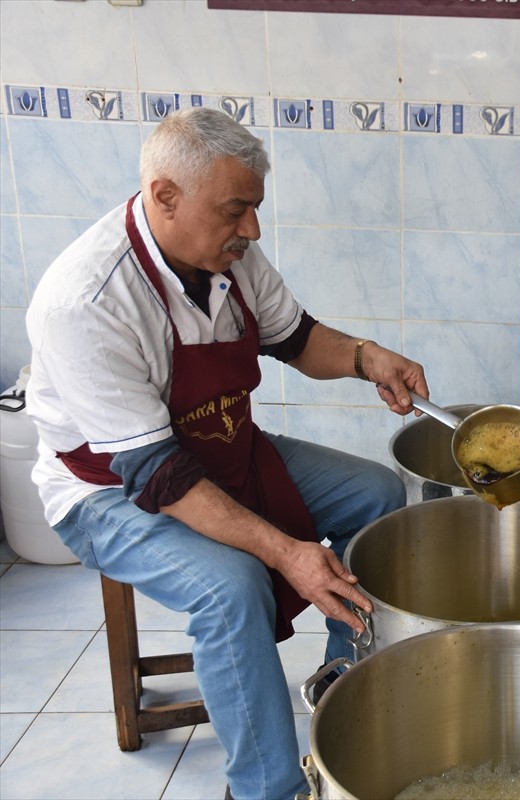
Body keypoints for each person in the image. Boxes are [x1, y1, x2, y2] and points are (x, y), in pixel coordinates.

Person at [24, 107, 428, 800]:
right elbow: (159, 475)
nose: (253, 230)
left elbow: (296, 337)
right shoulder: (84, 301)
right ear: (164, 197)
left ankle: (342, 697)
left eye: (255, 209)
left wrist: (366, 357)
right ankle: (267, 788)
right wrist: (286, 551)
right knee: (231, 586)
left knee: (379, 497)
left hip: (220, 450)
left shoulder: (225, 253)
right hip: (110, 491)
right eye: (236, 211)